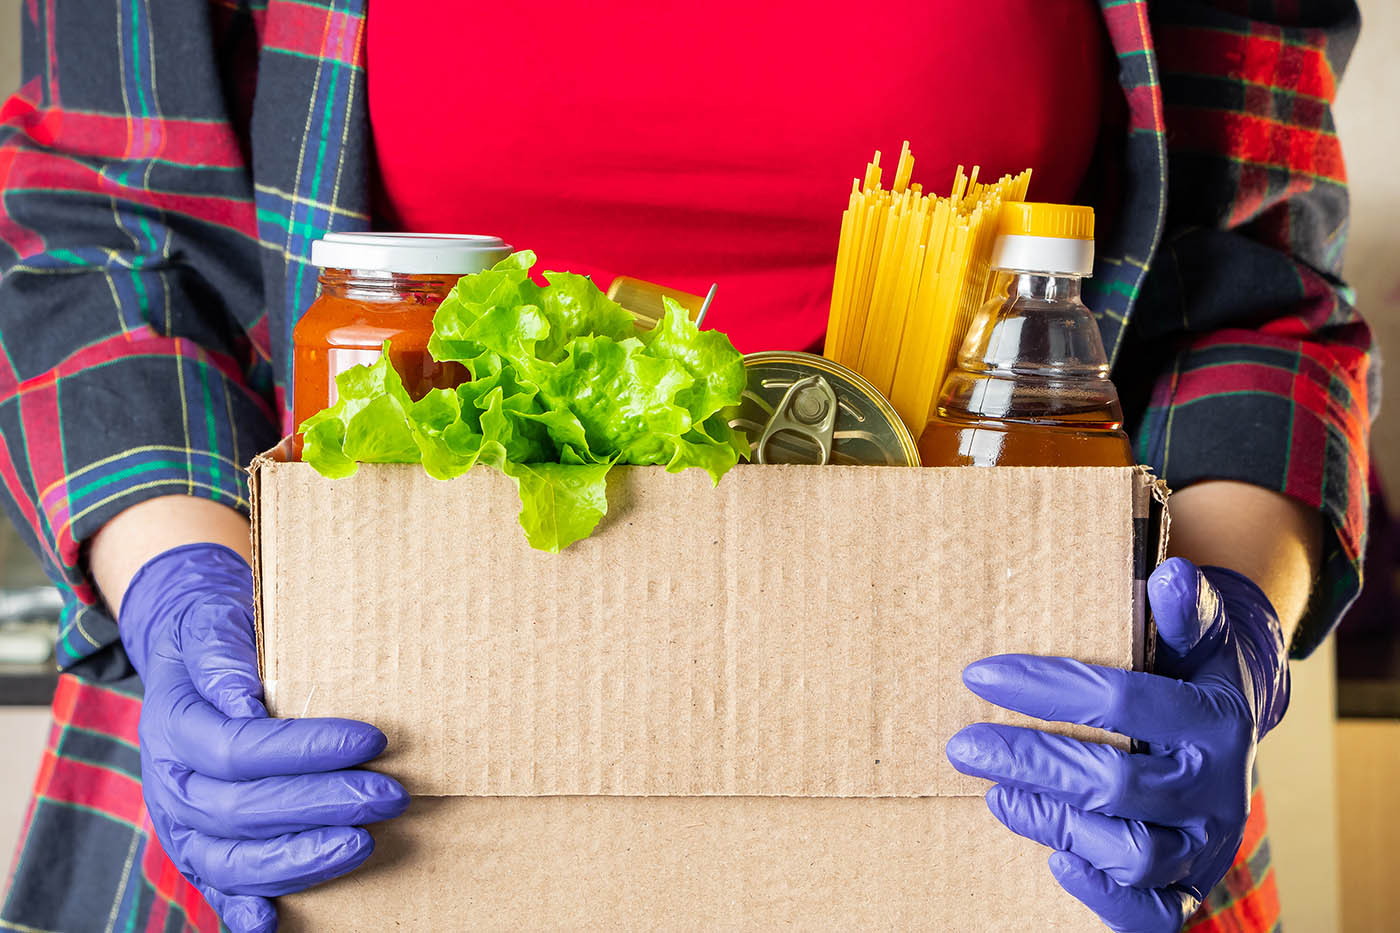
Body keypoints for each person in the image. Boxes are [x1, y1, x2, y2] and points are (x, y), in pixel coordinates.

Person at [0, 1, 1373, 931]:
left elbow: (1245, 282)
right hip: (335, 808)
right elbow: (107, 240)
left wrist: (1227, 612)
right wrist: (183, 593)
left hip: (1035, 817)